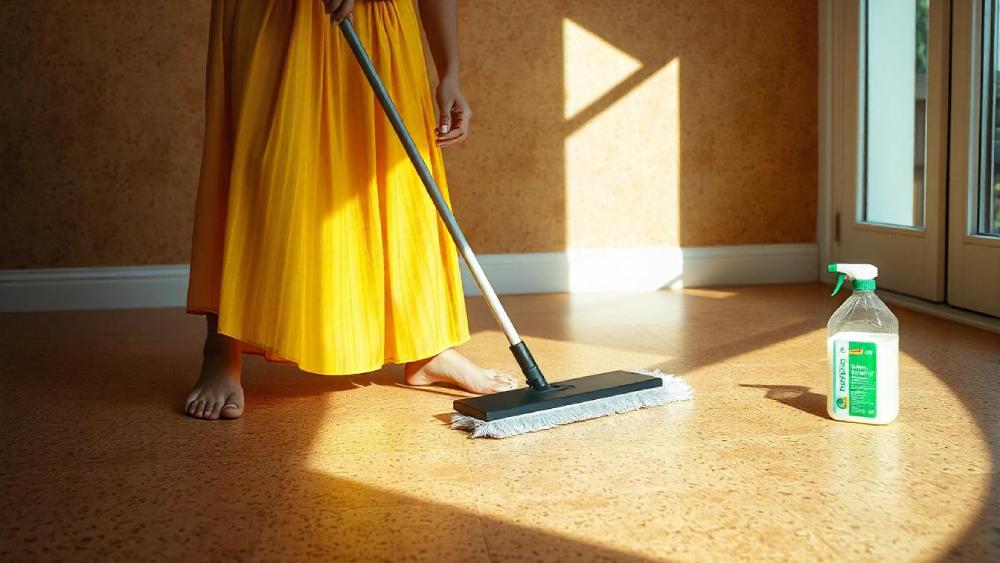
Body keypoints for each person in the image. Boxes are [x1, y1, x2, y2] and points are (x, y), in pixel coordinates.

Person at [183, 0, 516, 421]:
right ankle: (223, 344)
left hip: (382, 19)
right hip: (279, 18)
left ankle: (427, 348)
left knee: (399, 177)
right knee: (265, 172)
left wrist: (449, 71)